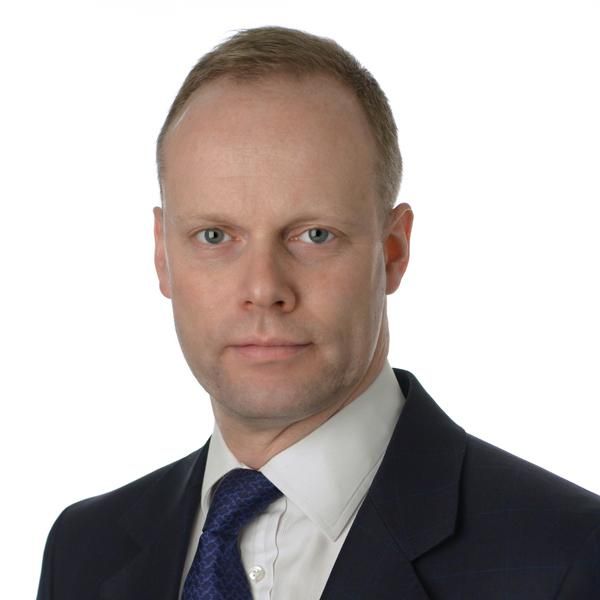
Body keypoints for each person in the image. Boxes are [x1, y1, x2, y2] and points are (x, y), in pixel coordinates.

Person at [36, 26, 600, 600]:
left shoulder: (568, 557)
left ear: (393, 251)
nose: (264, 289)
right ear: (163, 256)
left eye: (314, 235)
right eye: (215, 235)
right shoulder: (83, 552)